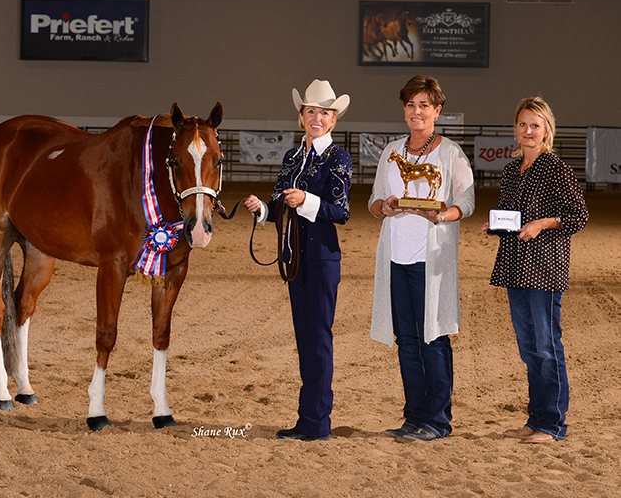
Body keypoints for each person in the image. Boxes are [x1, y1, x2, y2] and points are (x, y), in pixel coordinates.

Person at [243, 79, 352, 442]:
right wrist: (263, 210)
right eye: (310, 111)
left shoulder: (338, 157)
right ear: (301, 116)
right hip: (294, 258)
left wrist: (305, 200)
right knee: (305, 338)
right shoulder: (292, 157)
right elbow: (279, 207)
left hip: (321, 258)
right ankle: (308, 419)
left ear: (333, 118)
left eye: (324, 112)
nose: (316, 117)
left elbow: (341, 212)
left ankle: (318, 422)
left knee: (318, 339)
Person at [369, 75, 474, 441]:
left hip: (431, 262)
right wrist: (383, 207)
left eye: (424, 105)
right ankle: (413, 415)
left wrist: (441, 215)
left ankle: (437, 420)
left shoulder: (450, 153)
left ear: (437, 110)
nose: (417, 111)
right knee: (407, 340)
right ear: (404, 109)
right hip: (396, 258)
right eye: (411, 105)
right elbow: (375, 200)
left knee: (434, 338)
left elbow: (466, 201)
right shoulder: (391, 151)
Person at [482, 96, 588, 443]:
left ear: (547, 131)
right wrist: (495, 225)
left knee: (546, 347)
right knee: (529, 349)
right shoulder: (513, 170)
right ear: (516, 128)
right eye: (523, 124)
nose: (528, 131)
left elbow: (578, 216)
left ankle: (553, 424)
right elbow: (513, 219)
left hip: (544, 269)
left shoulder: (557, 168)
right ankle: (536, 419)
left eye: (535, 125)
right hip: (516, 266)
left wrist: (542, 223)